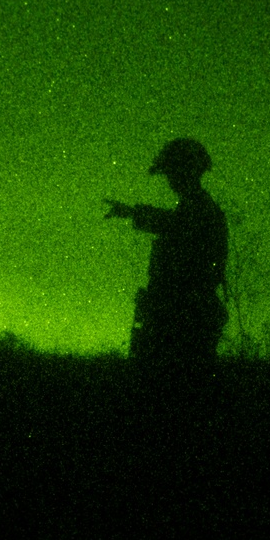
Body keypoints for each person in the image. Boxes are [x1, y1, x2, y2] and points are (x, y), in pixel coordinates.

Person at [104, 138, 228, 376]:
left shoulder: (201, 209)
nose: (169, 179)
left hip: (184, 316)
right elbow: (174, 224)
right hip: (180, 312)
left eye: (173, 172)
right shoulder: (198, 207)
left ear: (186, 172)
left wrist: (133, 213)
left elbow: (177, 227)